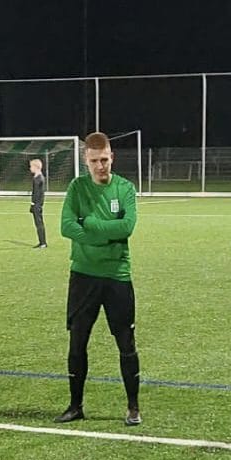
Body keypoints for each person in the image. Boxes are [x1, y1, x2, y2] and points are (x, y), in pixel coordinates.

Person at [57, 132, 140, 425]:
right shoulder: (77, 188)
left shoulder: (125, 188)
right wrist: (106, 236)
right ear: (86, 160)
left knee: (126, 342)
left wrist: (90, 224)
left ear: (112, 157)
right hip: (83, 276)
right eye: (94, 161)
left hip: (117, 276)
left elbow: (126, 227)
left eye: (104, 159)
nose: (100, 166)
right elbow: (66, 227)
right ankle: (75, 406)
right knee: (77, 342)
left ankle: (133, 407)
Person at [28, 156, 47, 248]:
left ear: (36, 167)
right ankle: (41, 242)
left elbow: (37, 193)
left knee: (39, 223)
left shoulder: (38, 179)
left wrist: (34, 204)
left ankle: (43, 243)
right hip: (37, 204)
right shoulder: (37, 178)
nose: (30, 168)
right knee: (38, 223)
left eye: (31, 166)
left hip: (37, 204)